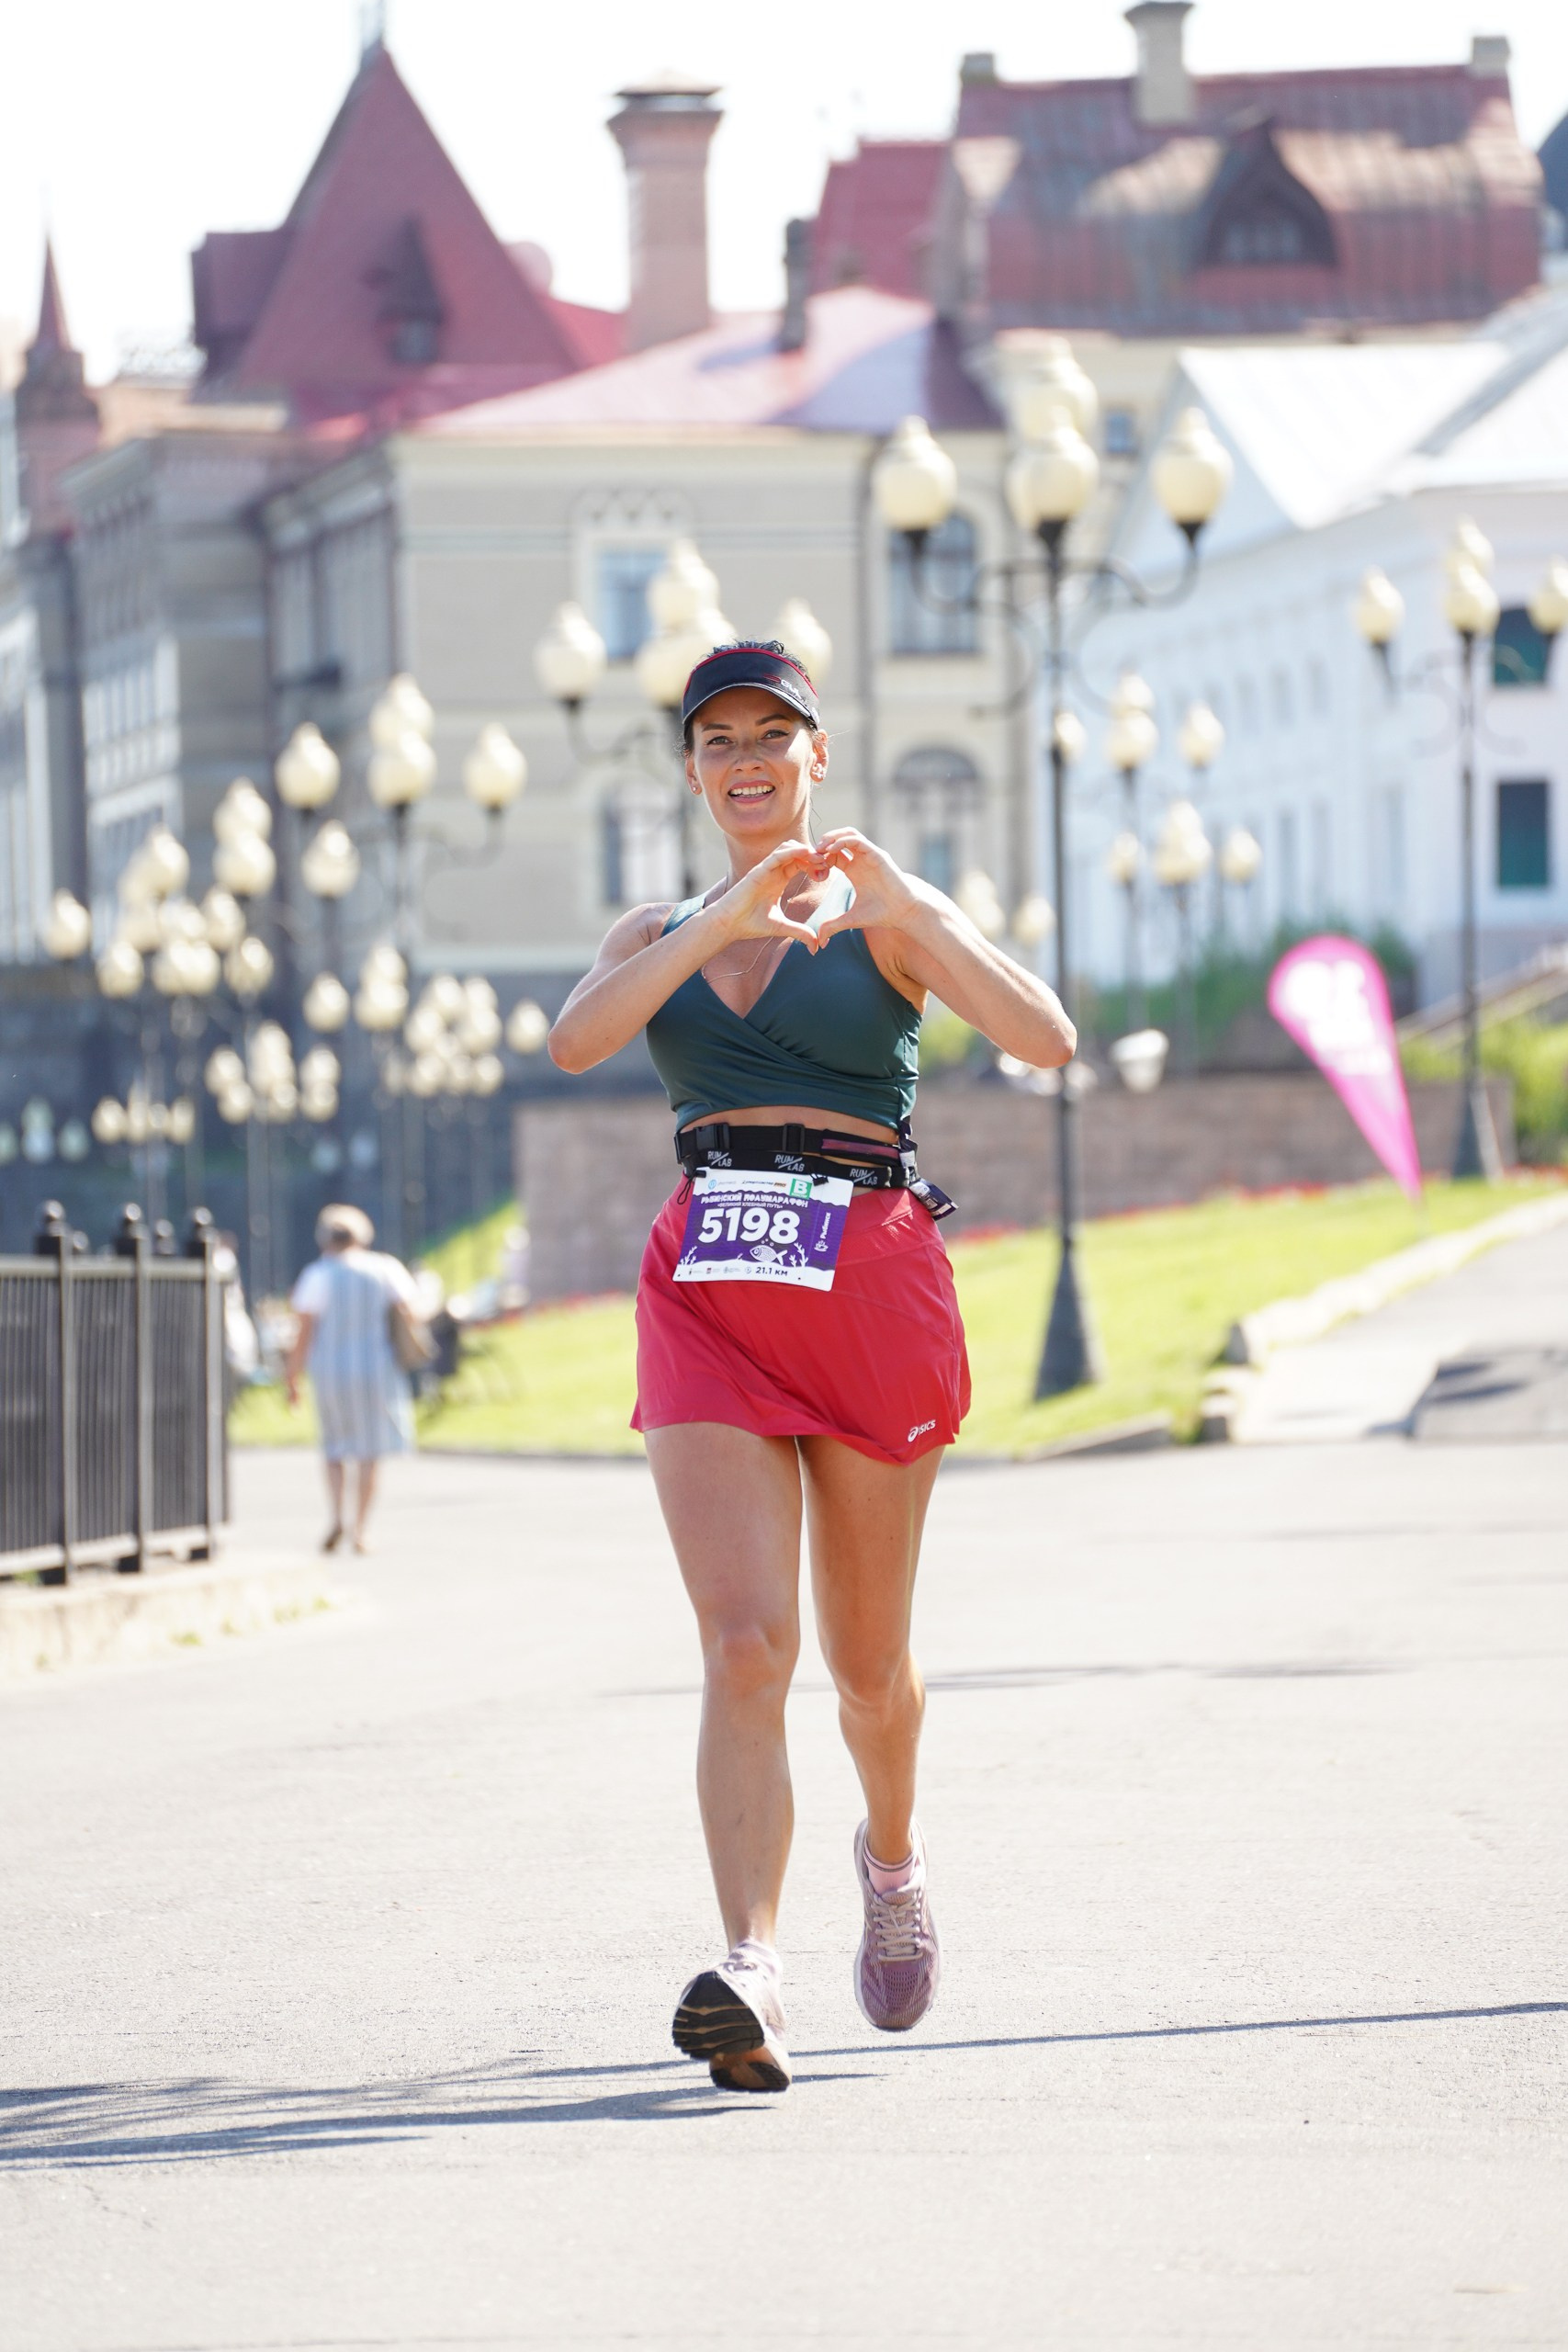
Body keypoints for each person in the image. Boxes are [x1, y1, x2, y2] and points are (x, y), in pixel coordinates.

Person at [548, 640, 1076, 2094]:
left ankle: (890, 1861)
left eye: (769, 735)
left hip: (864, 1276)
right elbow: (579, 1042)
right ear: (690, 769)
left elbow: (1042, 1037)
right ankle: (751, 1969)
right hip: (708, 1288)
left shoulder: (881, 917)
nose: (744, 759)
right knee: (741, 1646)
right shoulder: (653, 928)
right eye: (717, 739)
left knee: (863, 1666)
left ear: (814, 756)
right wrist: (718, 918)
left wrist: (910, 908)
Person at [285, 1204, 420, 1555]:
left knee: (335, 1447)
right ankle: (361, 1527)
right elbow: (412, 1313)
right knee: (369, 1450)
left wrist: (292, 1376)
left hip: (331, 1370)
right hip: (376, 1367)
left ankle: (337, 1516)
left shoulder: (318, 1275)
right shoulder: (385, 1269)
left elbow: (304, 1332)